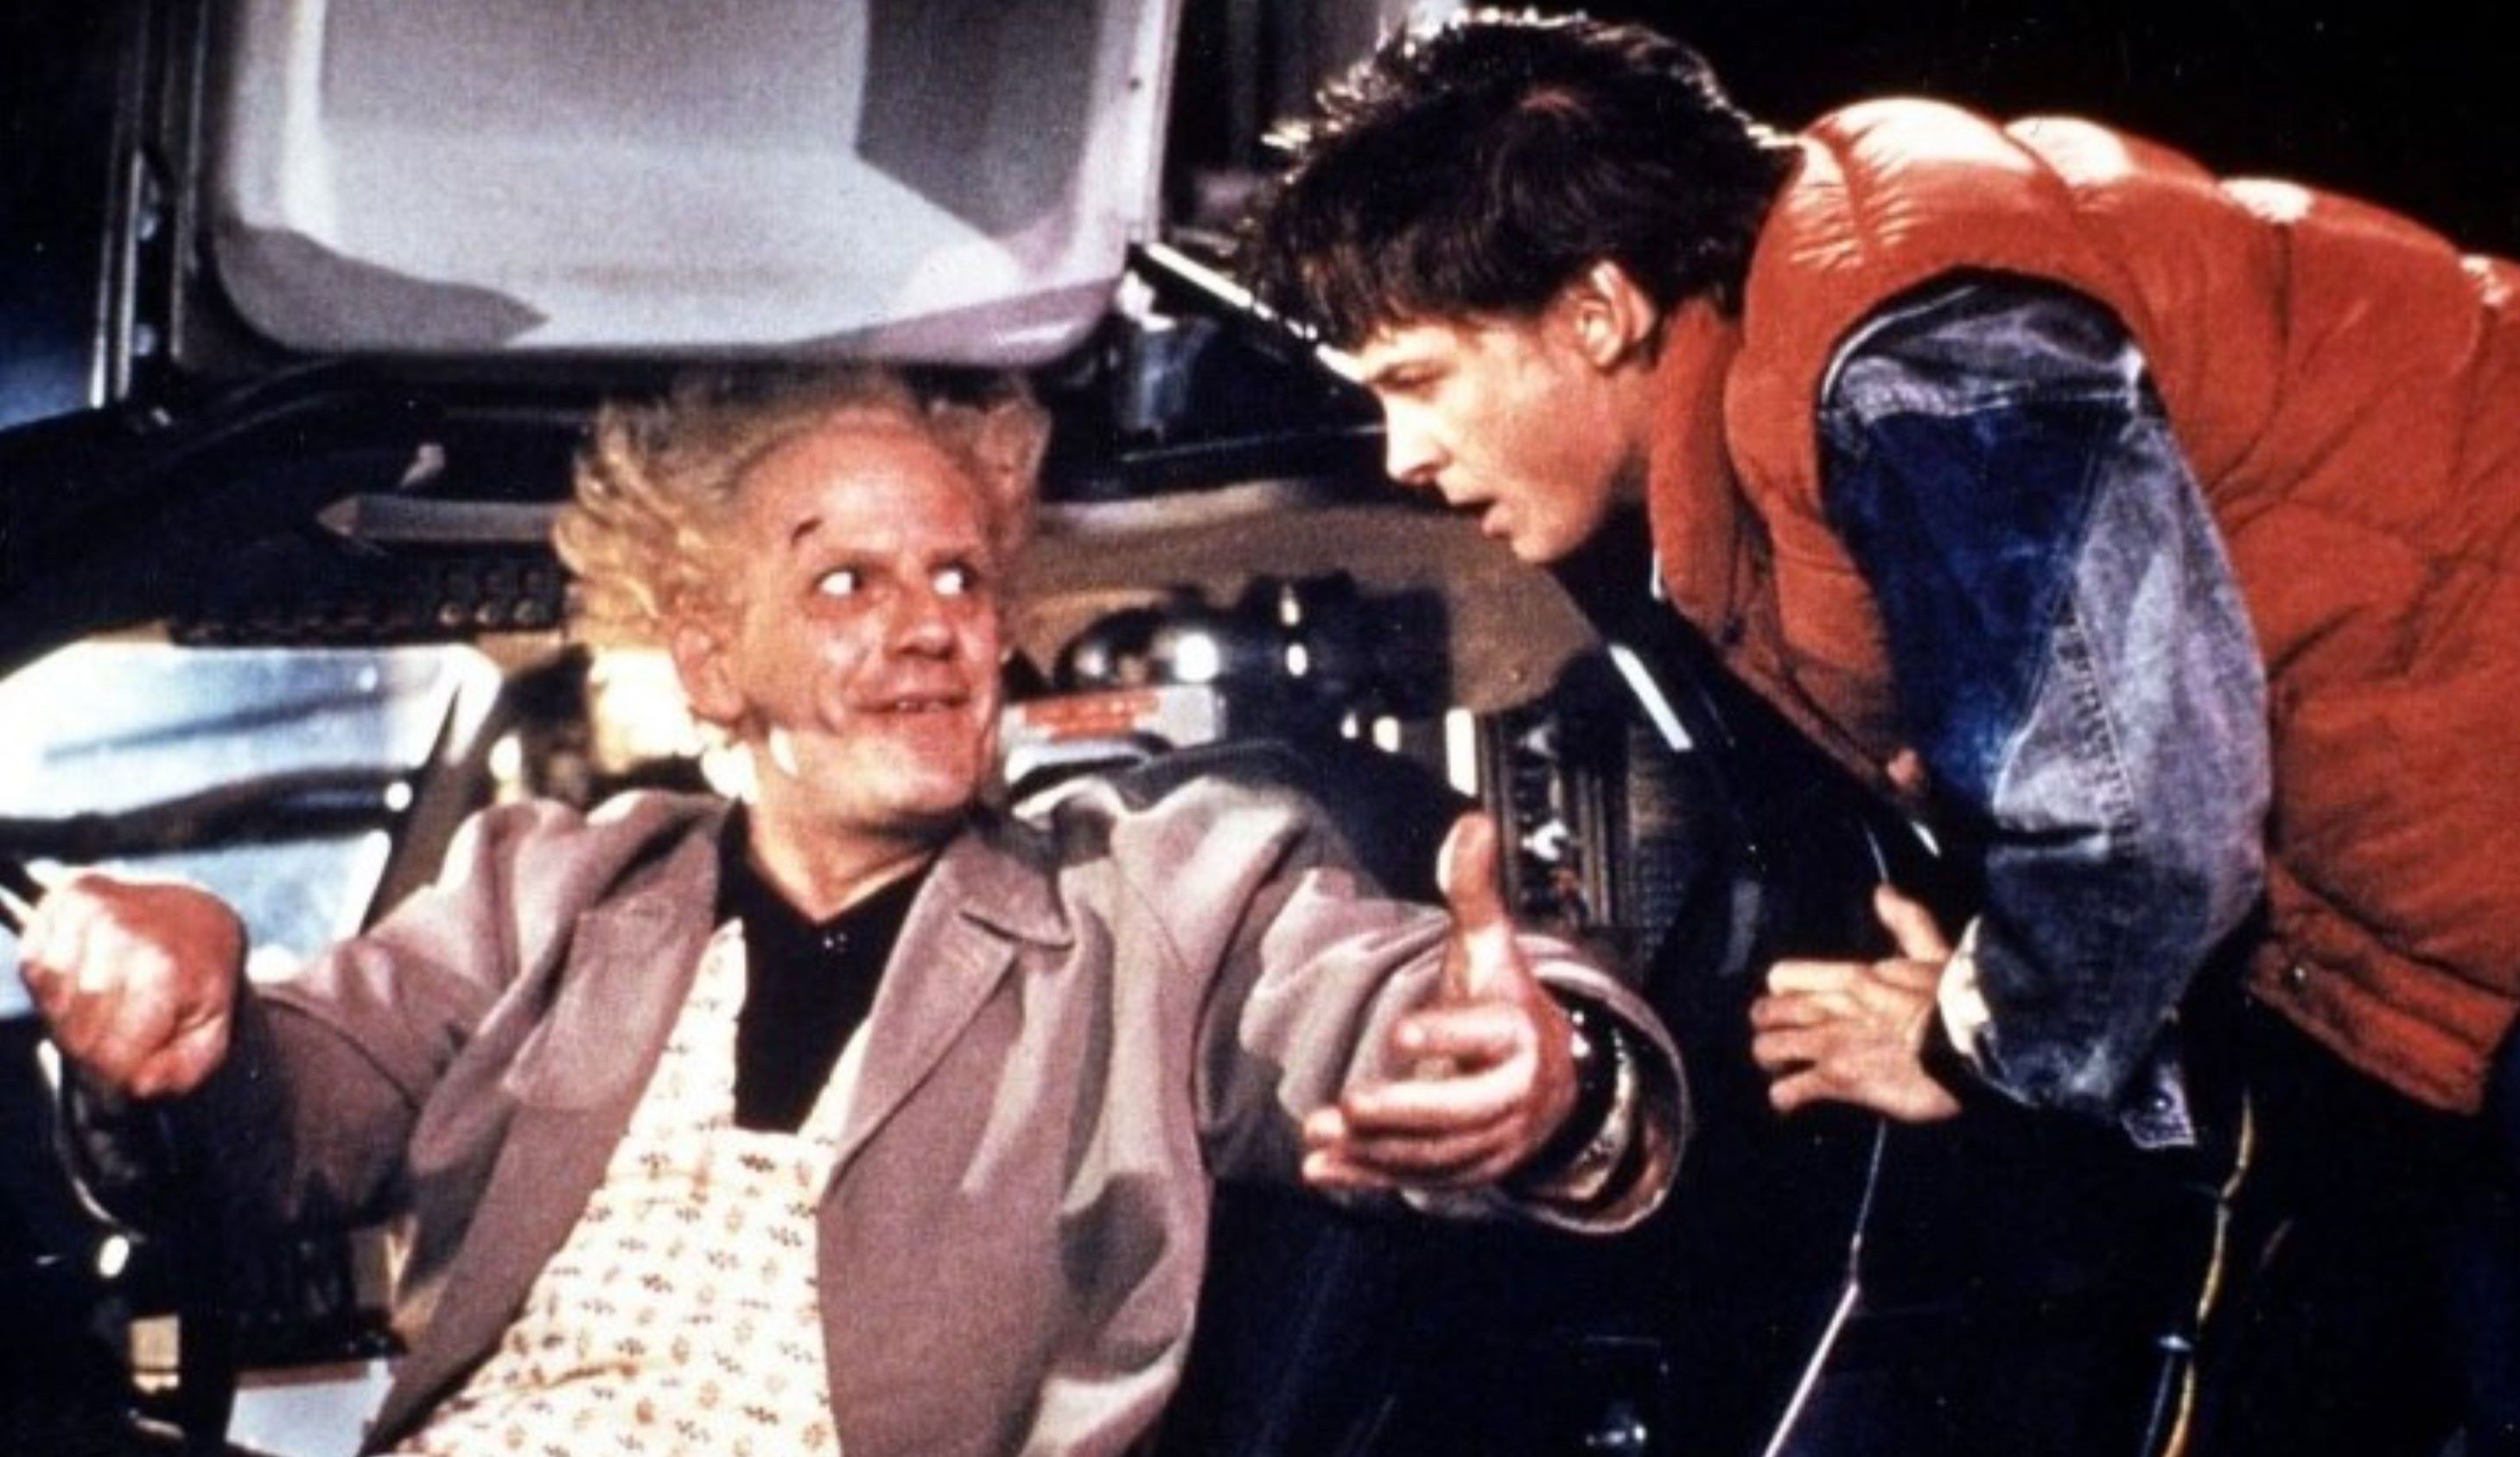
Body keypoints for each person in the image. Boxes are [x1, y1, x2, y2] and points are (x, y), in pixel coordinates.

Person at [1240, 10, 2520, 1454]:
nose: (1404, 454)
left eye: (1417, 380)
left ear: (1595, 312)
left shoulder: (1913, 356)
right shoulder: (1815, 335)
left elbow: (2137, 826)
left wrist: (1972, 1041)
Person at [12, 366, 1684, 1455]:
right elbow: (297, 1112)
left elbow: (1365, 996)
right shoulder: (547, 887)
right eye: (845, 581)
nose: (929, 624)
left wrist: (1543, 1072)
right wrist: (191, 1022)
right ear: (708, 656)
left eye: (960, 575)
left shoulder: (1155, 893)